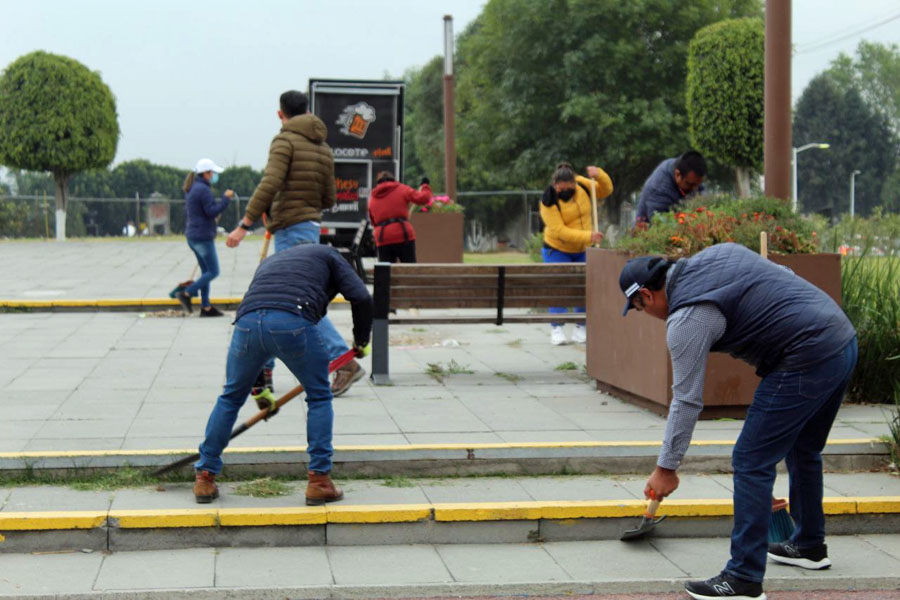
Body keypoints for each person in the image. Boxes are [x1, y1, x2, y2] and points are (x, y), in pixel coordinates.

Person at [618, 242, 857, 600]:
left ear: (647, 296)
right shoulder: (721, 253)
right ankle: (809, 546)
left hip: (805, 356)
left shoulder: (686, 318)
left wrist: (666, 468)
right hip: (842, 339)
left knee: (750, 459)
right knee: (804, 449)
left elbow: (686, 400)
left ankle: (743, 577)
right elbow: (784, 278)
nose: (644, 315)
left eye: (637, 309)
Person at [192, 243, 373, 505]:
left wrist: (260, 390)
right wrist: (361, 340)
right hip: (294, 321)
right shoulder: (332, 257)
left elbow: (262, 317)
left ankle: (205, 477)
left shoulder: (274, 260)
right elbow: (362, 298)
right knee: (320, 396)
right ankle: (319, 481)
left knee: (230, 398)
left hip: (246, 324)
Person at [224, 90, 364, 398]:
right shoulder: (323, 147)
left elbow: (270, 182)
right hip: (310, 226)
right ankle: (265, 371)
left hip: (290, 228)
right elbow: (329, 197)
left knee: (284, 301)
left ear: (280, 114)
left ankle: (341, 360)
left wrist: (245, 223)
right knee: (287, 300)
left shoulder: (284, 141)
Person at [539, 162, 612, 345]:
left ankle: (581, 326)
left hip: (583, 249)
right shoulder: (548, 200)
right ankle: (557, 328)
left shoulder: (584, 186)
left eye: (568, 188)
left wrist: (600, 174)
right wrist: (589, 236)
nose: (564, 192)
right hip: (557, 248)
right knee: (559, 285)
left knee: (584, 285)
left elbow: (605, 190)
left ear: (574, 183)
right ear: (555, 185)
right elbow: (559, 231)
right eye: (560, 189)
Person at [176, 158, 233, 317]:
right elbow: (211, 211)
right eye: (212, 172)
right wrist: (226, 199)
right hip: (202, 236)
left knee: (205, 271)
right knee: (213, 271)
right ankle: (187, 294)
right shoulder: (203, 190)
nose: (214, 175)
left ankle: (206, 306)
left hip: (193, 235)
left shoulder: (194, 188)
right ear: (206, 173)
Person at [367, 171, 432, 263]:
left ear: (378, 183)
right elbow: (423, 198)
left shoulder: (372, 198)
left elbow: (373, 222)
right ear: (393, 180)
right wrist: (425, 186)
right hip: (403, 235)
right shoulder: (402, 189)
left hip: (383, 238)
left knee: (387, 273)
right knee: (410, 271)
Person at [634, 151, 707, 225]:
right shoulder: (659, 188)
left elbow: (702, 193)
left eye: (697, 184)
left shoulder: (686, 170)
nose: (694, 189)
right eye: (690, 184)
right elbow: (659, 224)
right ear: (677, 174)